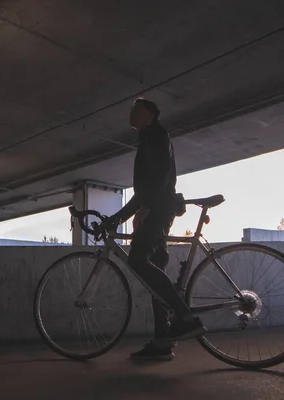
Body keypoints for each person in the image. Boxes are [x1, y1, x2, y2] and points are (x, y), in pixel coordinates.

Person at [102, 98, 206, 361]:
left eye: (137, 109)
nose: (131, 112)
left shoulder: (156, 136)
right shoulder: (149, 137)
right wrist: (125, 214)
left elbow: (157, 182)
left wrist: (134, 211)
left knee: (138, 260)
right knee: (156, 278)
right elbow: (147, 188)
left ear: (150, 114)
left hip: (159, 210)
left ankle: (185, 317)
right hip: (158, 208)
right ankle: (162, 343)